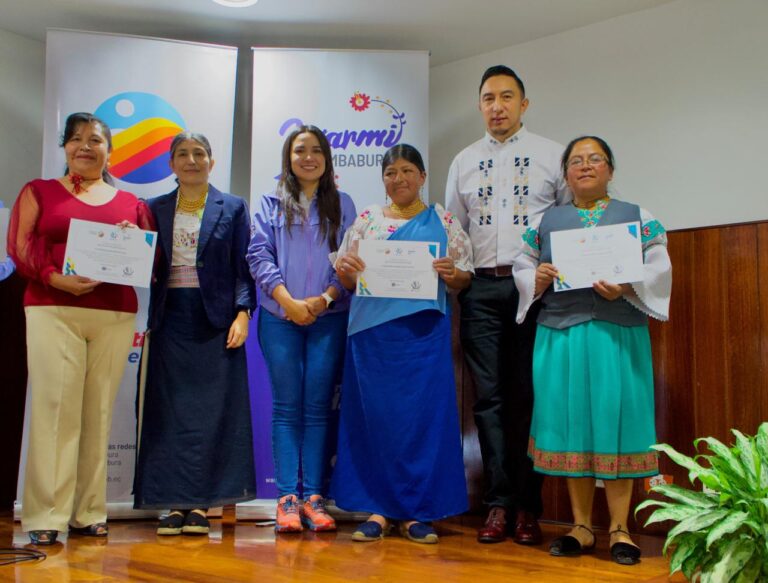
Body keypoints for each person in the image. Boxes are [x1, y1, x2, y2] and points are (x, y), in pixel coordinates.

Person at [514, 135, 671, 565]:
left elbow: (659, 262)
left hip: (616, 333)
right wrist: (538, 277)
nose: (585, 166)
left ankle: (620, 527)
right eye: (576, 161)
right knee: (572, 426)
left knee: (617, 423)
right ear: (566, 173)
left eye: (595, 159)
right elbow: (522, 264)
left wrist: (629, 282)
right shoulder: (546, 221)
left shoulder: (636, 217)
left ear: (610, 170)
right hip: (560, 334)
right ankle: (581, 526)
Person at [7, 112, 155, 545]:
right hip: (52, 307)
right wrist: (55, 277)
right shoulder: (40, 191)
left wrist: (133, 238)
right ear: (65, 147)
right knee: (55, 412)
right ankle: (45, 517)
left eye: (95, 140)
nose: (85, 147)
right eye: (75, 139)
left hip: (114, 313)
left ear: (110, 150)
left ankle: (89, 511)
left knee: (99, 414)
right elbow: (20, 245)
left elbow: (150, 259)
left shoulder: (132, 204)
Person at [445, 65, 570, 544]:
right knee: (490, 400)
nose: (497, 106)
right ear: (480, 105)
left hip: (535, 291)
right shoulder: (463, 161)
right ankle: (498, 505)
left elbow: (565, 224)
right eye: (488, 98)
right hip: (480, 290)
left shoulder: (550, 155)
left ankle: (527, 507)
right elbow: (454, 233)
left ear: (524, 103)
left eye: (506, 97)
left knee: (527, 397)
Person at [330, 144, 472, 544]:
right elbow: (347, 281)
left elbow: (465, 278)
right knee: (376, 421)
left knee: (421, 421)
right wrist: (347, 270)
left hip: (423, 337)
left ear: (423, 176)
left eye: (408, 170)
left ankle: (416, 512)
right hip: (372, 338)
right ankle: (377, 508)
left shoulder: (442, 220)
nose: (399, 179)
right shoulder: (366, 221)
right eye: (391, 172)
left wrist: (451, 274)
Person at [133, 132, 256, 536]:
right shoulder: (152, 209)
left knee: (212, 414)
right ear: (171, 164)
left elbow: (244, 266)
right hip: (170, 319)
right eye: (182, 154)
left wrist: (243, 313)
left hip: (216, 322)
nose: (191, 160)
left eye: (199, 153)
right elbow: (140, 261)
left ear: (211, 161)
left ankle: (202, 506)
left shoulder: (233, 207)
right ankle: (173, 503)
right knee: (169, 413)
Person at [247, 125, 356, 533]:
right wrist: (289, 303)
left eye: (315, 150)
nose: (307, 157)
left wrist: (324, 299)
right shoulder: (269, 202)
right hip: (280, 320)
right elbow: (258, 255)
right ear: (288, 158)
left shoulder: (343, 203)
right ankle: (286, 500)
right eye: (299, 151)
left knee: (316, 409)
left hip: (328, 317)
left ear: (327, 158)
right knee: (287, 408)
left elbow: (347, 260)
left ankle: (313, 497)